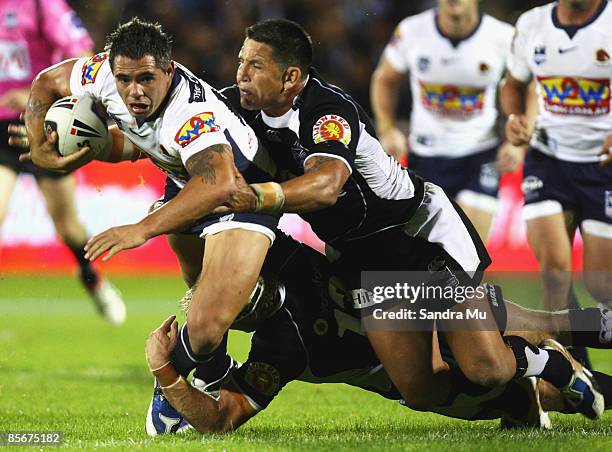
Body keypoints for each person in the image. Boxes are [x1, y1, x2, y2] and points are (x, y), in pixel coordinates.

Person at [212, 18, 603, 419]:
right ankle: (581, 331)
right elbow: (188, 114)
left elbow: (326, 185)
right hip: (366, 262)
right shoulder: (239, 110)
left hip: (418, 237)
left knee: (487, 368)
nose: (241, 73)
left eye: (255, 66)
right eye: (241, 62)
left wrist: (255, 197)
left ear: (290, 76)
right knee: (420, 388)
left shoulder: (326, 110)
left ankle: (550, 362)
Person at [143, 232, 612, 435]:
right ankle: (544, 374)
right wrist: (165, 370)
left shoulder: (284, 258)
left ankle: (587, 332)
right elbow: (222, 418)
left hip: (406, 298)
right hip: (426, 376)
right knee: (531, 381)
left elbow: (235, 221)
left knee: (518, 320)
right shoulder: (277, 352)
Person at [21, 18, 282, 379]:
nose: (134, 92)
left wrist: (142, 229)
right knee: (199, 294)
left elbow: (219, 181)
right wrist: (39, 148)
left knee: (208, 328)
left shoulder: (190, 114)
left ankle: (269, 302)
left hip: (241, 187)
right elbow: (46, 82)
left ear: (169, 70)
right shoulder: (101, 73)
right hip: (186, 176)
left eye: (146, 79)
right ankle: (216, 370)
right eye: (124, 80)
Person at [0, 0, 125, 325]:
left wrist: (35, 93)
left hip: (41, 126)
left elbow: (83, 55)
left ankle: (91, 278)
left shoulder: (42, 5)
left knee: (68, 226)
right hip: (1, 130)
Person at [500, 0, 612, 353]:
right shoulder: (532, 24)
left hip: (602, 167)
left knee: (602, 285)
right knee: (554, 272)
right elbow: (512, 84)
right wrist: (515, 118)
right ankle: (568, 372)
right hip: (547, 160)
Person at [370, 0, 514, 241]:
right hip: (425, 157)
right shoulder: (412, 31)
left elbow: (525, 87)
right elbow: (384, 78)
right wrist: (386, 128)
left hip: (479, 156)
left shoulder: (502, 37)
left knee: (469, 257)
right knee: (426, 260)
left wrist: (515, 141)